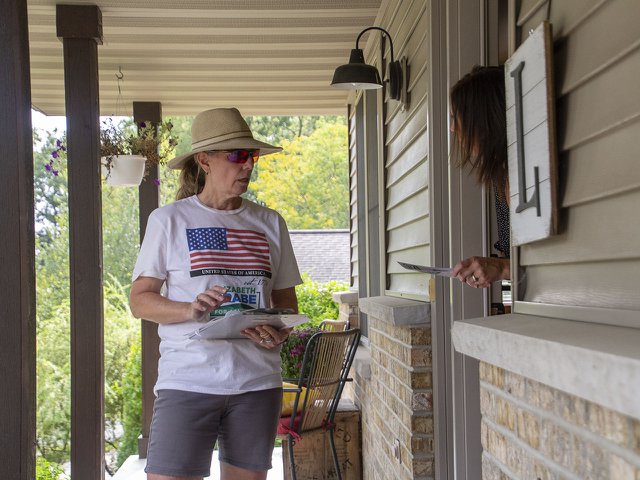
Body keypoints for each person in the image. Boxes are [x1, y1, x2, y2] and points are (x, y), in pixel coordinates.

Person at [129, 107, 303, 480]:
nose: (248, 166)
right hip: (188, 380)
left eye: (251, 156)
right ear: (204, 160)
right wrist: (189, 309)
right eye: (237, 156)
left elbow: (286, 304)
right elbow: (140, 299)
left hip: (257, 383)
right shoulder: (169, 220)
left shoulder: (270, 222)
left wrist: (279, 330)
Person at [449, 65, 511, 289]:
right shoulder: (500, 176)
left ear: (483, 118)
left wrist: (502, 267)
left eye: (457, 118)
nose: (453, 128)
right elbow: (518, 263)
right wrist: (498, 266)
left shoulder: (529, 173)